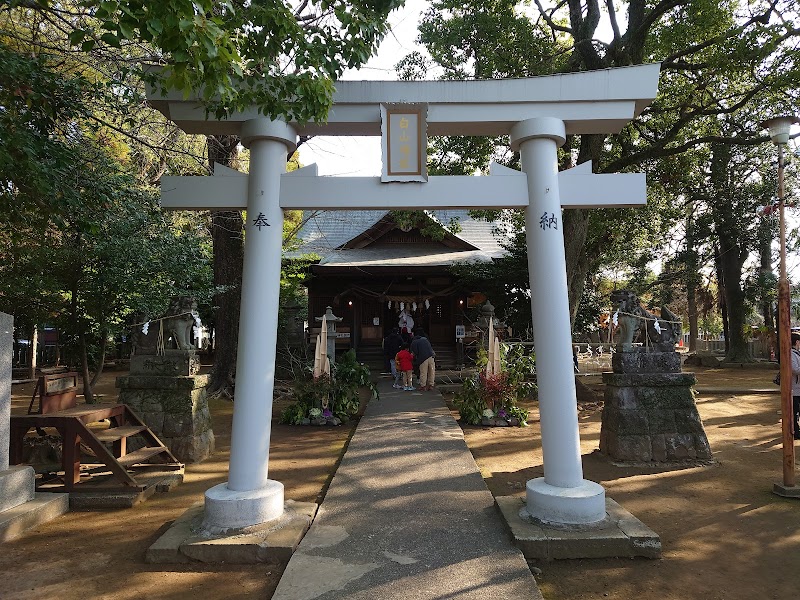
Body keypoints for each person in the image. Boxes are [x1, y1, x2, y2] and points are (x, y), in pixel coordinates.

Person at [791, 332, 800, 440]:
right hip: (794, 388)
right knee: (795, 411)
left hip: (798, 387)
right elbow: (795, 369)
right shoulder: (791, 354)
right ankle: (795, 431)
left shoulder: (797, 353)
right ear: (797, 342)